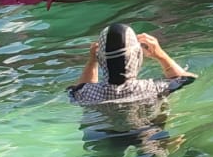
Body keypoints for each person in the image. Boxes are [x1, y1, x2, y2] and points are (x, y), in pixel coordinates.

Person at [68, 22, 197, 107]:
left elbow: (81, 87)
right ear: (137, 56)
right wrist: (161, 55)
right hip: (146, 132)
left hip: (104, 134)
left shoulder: (87, 93)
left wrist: (92, 61)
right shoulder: (152, 88)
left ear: (101, 60)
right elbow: (187, 78)